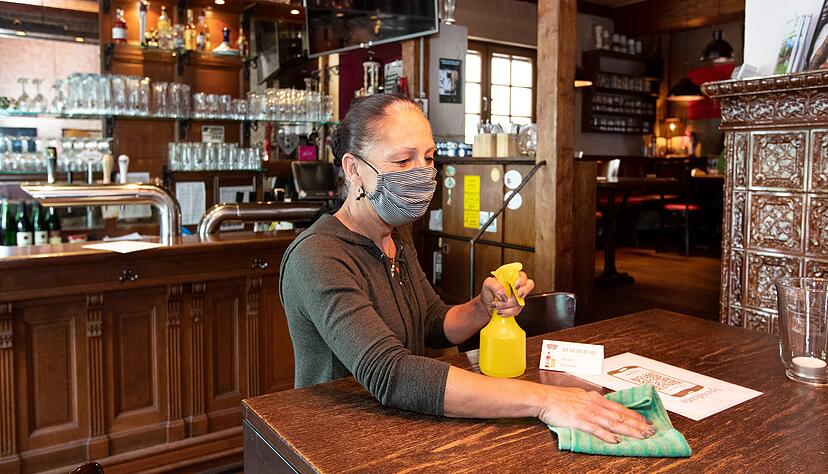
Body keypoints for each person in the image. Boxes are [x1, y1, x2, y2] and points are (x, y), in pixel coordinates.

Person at [280, 94, 654, 444]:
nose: (423, 173)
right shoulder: (318, 255)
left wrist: (483, 305)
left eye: (428, 158)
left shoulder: (397, 234)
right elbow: (391, 375)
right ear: (354, 170)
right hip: (334, 440)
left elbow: (432, 323)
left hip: (403, 425)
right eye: (403, 160)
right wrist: (546, 400)